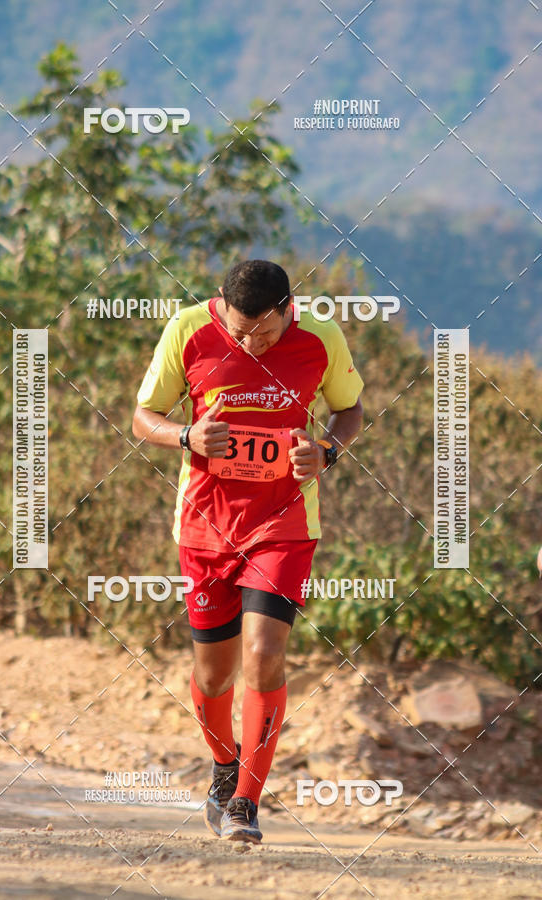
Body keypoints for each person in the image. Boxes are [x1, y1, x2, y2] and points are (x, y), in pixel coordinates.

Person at [132, 259, 363, 842]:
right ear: (221, 306)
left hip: (283, 523)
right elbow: (143, 417)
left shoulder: (323, 338)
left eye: (262, 332)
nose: (248, 342)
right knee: (213, 676)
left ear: (289, 309)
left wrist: (327, 451)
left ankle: (245, 804)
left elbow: (350, 409)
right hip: (205, 524)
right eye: (238, 331)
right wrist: (184, 435)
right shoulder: (187, 330)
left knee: (263, 655)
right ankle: (223, 765)